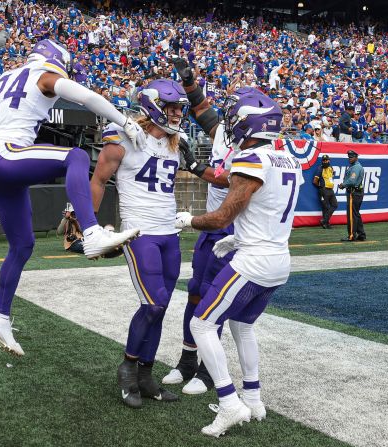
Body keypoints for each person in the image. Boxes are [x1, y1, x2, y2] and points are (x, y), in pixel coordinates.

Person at [0, 39, 145, 357]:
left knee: (23, 245)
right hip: (8, 154)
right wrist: (124, 120)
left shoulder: (5, 78)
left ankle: (0, 317)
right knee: (75, 157)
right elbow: (86, 97)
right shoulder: (46, 76)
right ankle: (91, 232)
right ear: (57, 60)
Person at [174, 91, 302, 438]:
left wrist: (189, 220)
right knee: (243, 327)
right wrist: (239, 237)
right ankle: (254, 397)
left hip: (254, 263)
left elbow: (221, 217)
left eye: (235, 118)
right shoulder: (289, 160)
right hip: (278, 260)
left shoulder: (251, 160)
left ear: (250, 122)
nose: (230, 123)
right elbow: (266, 211)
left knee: (202, 325)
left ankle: (230, 403)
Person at [91, 78, 188, 409]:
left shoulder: (177, 144)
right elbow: (98, 180)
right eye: (171, 107)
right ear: (151, 105)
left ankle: (146, 376)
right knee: (153, 304)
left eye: (179, 108)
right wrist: (90, 226)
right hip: (139, 232)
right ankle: (128, 367)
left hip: (169, 233)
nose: (176, 114)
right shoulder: (123, 138)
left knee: (161, 309)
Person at [162, 60, 247, 397]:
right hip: (210, 228)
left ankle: (208, 371)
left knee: (214, 298)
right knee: (194, 291)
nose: (226, 115)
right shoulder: (225, 132)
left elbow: (232, 179)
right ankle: (186, 360)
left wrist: (196, 166)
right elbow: (200, 108)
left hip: (231, 230)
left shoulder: (254, 144)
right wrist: (188, 81)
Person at [338, 150, 366, 241]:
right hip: (356, 192)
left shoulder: (356, 167)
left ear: (356, 157)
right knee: (356, 214)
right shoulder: (354, 166)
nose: (350, 158)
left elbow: (352, 180)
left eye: (352, 157)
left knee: (351, 215)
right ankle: (361, 234)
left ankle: (351, 235)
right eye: (349, 157)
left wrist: (343, 185)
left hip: (353, 193)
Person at [313, 154, 337, 229]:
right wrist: (321, 187)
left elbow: (332, 176)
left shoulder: (330, 168)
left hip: (331, 190)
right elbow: (315, 181)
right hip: (324, 190)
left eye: (326, 160)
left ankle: (324, 220)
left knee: (335, 205)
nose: (325, 161)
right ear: (322, 161)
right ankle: (326, 223)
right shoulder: (320, 169)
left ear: (329, 160)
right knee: (325, 207)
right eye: (324, 160)